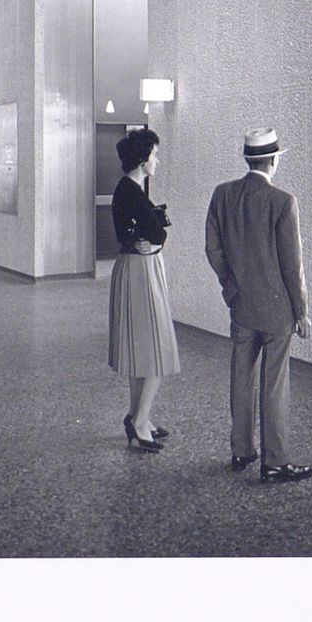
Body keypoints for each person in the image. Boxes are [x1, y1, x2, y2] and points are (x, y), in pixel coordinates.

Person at [204, 127, 312, 483]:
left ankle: (241, 450)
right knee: (274, 384)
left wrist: (231, 288)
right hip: (278, 309)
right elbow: (291, 265)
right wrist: (301, 310)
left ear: (248, 158)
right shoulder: (283, 202)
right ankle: (275, 461)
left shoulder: (222, 195)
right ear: (273, 160)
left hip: (241, 307)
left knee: (241, 377)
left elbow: (214, 249)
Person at [107, 127, 179, 452]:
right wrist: (155, 226)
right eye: (154, 155)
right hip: (141, 271)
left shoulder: (128, 188)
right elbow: (157, 234)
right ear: (143, 159)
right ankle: (140, 421)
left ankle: (139, 417)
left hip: (135, 268)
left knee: (140, 351)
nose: (157, 160)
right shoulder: (132, 192)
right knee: (156, 350)